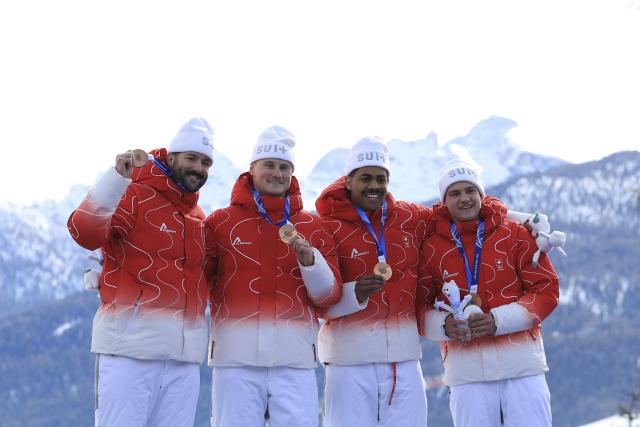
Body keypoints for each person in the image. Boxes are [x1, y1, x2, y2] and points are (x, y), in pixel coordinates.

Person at [67, 117, 215, 427]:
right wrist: (115, 179)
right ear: (171, 157)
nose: (198, 168)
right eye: (191, 158)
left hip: (183, 362)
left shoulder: (200, 219)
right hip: (129, 353)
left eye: (205, 162)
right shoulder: (133, 194)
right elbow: (84, 232)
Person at [205, 125, 342, 427]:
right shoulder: (220, 222)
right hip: (234, 360)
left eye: (284, 167)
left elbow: (328, 298)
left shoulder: (314, 227)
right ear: (252, 168)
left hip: (294, 361)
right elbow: (196, 279)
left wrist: (311, 262)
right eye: (269, 165)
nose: (277, 173)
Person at [418, 158, 560, 427]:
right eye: (455, 193)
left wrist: (498, 320)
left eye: (470, 190)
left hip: (522, 367)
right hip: (466, 372)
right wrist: (445, 325)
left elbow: (546, 290)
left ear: (481, 194)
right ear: (444, 200)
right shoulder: (431, 247)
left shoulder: (515, 234)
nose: (464, 199)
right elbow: (419, 306)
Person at [315, 136, 430, 427]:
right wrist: (355, 293)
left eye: (381, 178)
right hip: (348, 362)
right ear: (349, 181)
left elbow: (460, 210)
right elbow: (317, 302)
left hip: (403, 360)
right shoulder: (325, 225)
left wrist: (525, 220)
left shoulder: (410, 217)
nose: (374, 186)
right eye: (365, 177)